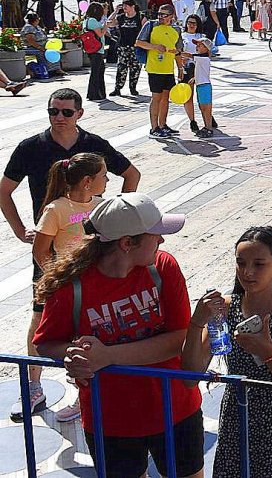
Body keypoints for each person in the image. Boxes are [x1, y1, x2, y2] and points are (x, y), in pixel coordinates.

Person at [32, 193, 202, 478]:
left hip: (175, 409)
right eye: (155, 234)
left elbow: (179, 339)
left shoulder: (163, 268)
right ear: (126, 243)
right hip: (110, 421)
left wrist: (107, 356)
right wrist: (73, 355)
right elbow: (45, 343)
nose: (162, 240)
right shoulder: (71, 287)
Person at [2, 88, 140, 420]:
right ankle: (34, 386)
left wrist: (115, 220)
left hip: (89, 255)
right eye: (53, 111)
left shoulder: (94, 145)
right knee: (41, 319)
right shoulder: (31, 147)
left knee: (87, 320)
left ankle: (85, 394)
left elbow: (131, 174)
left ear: (80, 113)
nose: (59, 118)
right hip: (50, 254)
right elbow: (4, 190)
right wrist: (20, 230)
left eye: (66, 112)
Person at [183, 226, 272, 478]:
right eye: (241, 263)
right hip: (235, 423)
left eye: (259, 264)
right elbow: (190, 377)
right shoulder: (225, 308)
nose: (247, 272)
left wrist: (268, 353)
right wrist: (196, 323)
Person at [30, 152, 108, 422]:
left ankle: (87, 397)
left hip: (95, 287)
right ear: (87, 181)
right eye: (103, 176)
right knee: (71, 341)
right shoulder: (56, 210)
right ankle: (74, 396)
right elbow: (40, 250)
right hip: (69, 289)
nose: (107, 180)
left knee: (92, 339)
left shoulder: (101, 205)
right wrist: (58, 278)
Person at [136, 6, 185, 138]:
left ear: (171, 16)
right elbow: (138, 42)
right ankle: (154, 128)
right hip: (154, 68)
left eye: (164, 15)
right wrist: (154, 47)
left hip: (168, 69)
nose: (160, 17)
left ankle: (163, 125)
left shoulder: (176, 29)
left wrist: (180, 68)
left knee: (166, 98)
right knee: (156, 97)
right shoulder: (150, 25)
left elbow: (178, 50)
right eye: (159, 14)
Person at [109, 0, 144, 97]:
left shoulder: (140, 17)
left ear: (133, 6)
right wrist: (115, 11)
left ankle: (133, 87)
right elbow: (109, 23)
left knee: (135, 68)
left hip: (136, 46)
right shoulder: (121, 17)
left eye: (127, 6)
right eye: (123, 5)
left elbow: (146, 31)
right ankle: (118, 88)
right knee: (121, 68)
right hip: (123, 46)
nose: (124, 7)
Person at [83, 2, 108, 102]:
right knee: (96, 72)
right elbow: (100, 34)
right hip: (96, 49)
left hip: (93, 49)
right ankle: (94, 94)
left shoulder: (86, 20)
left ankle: (100, 93)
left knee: (99, 71)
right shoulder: (92, 21)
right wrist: (106, 26)